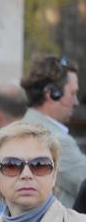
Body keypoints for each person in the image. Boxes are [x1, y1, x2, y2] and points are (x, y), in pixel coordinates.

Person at [18, 55, 86, 206]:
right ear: (52, 94)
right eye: (72, 94)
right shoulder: (56, 140)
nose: (75, 102)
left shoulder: (22, 127)